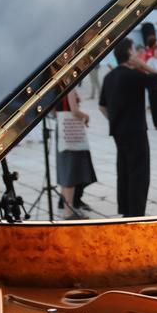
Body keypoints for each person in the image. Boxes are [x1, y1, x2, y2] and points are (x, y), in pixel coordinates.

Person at [99, 39, 157, 217]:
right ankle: (136, 212)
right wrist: (143, 64)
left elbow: (102, 106)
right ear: (129, 53)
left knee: (124, 170)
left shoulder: (109, 77)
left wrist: (115, 120)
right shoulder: (133, 75)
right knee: (139, 173)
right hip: (136, 130)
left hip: (118, 130)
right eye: (134, 51)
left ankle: (125, 209)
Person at [54, 90, 97, 219]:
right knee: (71, 171)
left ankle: (63, 204)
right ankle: (69, 210)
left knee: (64, 167)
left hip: (61, 129)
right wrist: (86, 116)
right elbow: (75, 111)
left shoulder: (55, 88)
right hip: (71, 131)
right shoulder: (69, 88)